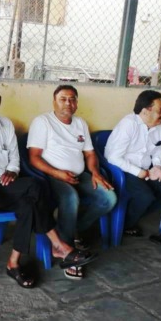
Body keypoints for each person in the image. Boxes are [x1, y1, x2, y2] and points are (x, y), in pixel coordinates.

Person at [0, 77, 97, 286]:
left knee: (30, 202)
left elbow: (14, 159)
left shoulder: (6, 124)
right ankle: (59, 245)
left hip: (7, 186)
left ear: (0, 100)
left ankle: (13, 263)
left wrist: (12, 170)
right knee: (36, 187)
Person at [27, 85, 117, 279]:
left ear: (76, 103)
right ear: (54, 102)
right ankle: (68, 252)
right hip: (51, 177)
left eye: (72, 99)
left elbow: (90, 154)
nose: (68, 103)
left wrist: (95, 173)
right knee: (70, 198)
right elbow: (33, 157)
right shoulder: (43, 122)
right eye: (63, 99)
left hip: (79, 175)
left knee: (109, 198)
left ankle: (71, 230)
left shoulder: (80, 123)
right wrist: (57, 173)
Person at [105, 90, 161, 250]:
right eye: (160, 110)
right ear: (146, 111)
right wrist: (138, 172)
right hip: (123, 171)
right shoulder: (129, 124)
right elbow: (113, 157)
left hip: (147, 170)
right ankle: (125, 224)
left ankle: (128, 220)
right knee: (145, 196)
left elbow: (158, 151)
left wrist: (158, 166)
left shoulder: (159, 126)